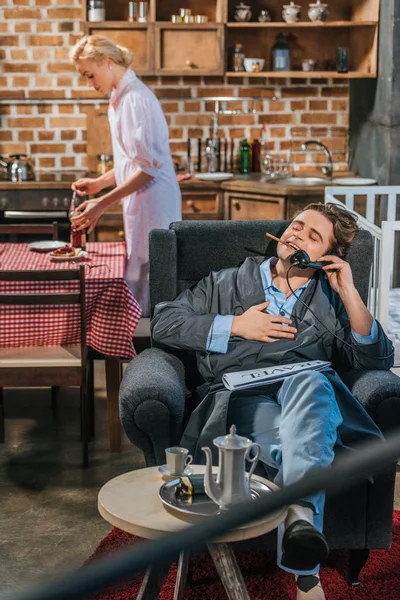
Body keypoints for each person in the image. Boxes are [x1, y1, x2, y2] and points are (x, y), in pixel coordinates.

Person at [151, 202, 394, 600]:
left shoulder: (330, 299)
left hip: (307, 386)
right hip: (243, 391)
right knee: (296, 441)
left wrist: (348, 290)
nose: (298, 234)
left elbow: (378, 359)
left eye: (313, 236)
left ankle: (300, 524)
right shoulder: (224, 283)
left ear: (328, 258)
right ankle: (305, 567)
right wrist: (236, 325)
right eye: (297, 226)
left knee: (314, 386)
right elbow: (163, 321)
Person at [69, 35, 182, 316]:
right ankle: (141, 346)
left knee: (150, 276)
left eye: (89, 74)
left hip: (155, 203)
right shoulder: (120, 97)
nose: (89, 82)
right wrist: (99, 183)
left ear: (107, 63)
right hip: (142, 200)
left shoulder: (135, 100)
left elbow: (148, 168)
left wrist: (102, 203)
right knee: (141, 271)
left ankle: (151, 348)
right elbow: (133, 161)